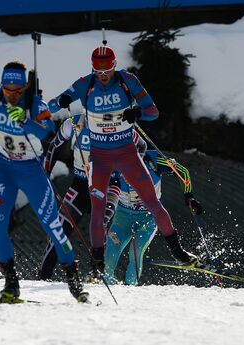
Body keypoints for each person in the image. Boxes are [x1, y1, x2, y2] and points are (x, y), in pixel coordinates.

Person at [48, 45, 198, 273]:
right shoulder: (85, 83)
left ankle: (179, 253)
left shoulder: (128, 81)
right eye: (99, 72)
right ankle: (97, 263)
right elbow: (51, 104)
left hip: (127, 154)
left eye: (107, 70)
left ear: (115, 65)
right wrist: (61, 101)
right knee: (97, 213)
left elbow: (153, 112)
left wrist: (137, 113)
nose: (104, 76)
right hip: (99, 158)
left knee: (153, 204)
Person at [0, 61, 88, 303]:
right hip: (4, 169)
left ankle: (73, 279)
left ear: (25, 87)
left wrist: (26, 121)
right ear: (1, 85)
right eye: (8, 89)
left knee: (53, 226)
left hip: (31, 171)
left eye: (18, 90)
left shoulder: (35, 104)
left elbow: (48, 134)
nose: (12, 95)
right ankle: (11, 283)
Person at [38, 109, 121, 280]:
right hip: (81, 185)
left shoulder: (117, 124)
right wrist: (45, 171)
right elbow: (54, 146)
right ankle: (43, 275)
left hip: (108, 185)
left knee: (100, 224)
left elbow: (138, 149)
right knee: (60, 230)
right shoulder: (74, 123)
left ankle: (96, 275)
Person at [104, 148, 203, 285]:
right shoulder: (112, 164)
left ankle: (130, 290)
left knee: (136, 252)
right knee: (110, 253)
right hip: (123, 216)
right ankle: (106, 289)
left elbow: (183, 172)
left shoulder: (154, 161)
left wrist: (189, 197)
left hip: (148, 217)